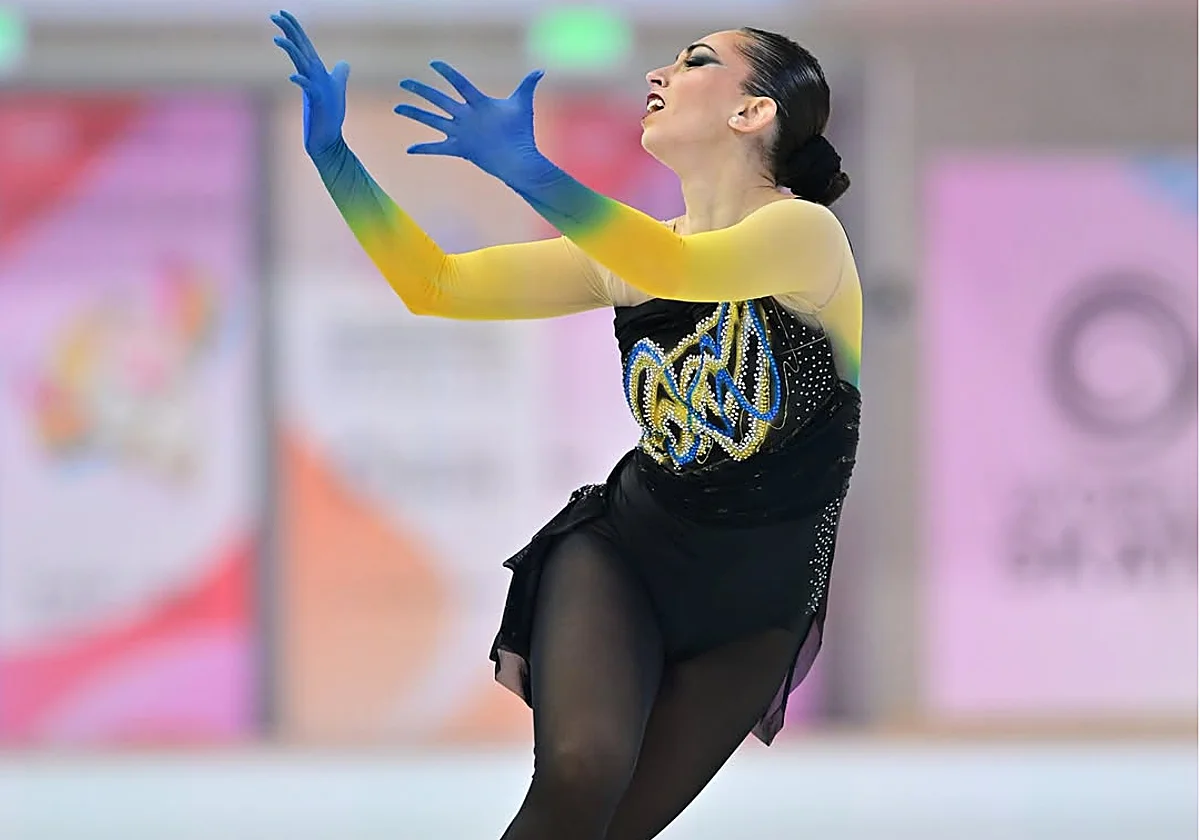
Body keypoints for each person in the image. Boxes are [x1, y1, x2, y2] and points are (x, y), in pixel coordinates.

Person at [272, 10, 862, 839]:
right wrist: (335, 160)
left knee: (616, 828)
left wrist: (527, 168)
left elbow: (679, 270)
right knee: (579, 777)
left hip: (758, 605)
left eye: (693, 63)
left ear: (752, 112)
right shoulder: (631, 252)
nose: (659, 75)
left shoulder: (806, 235)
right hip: (626, 551)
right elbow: (434, 284)